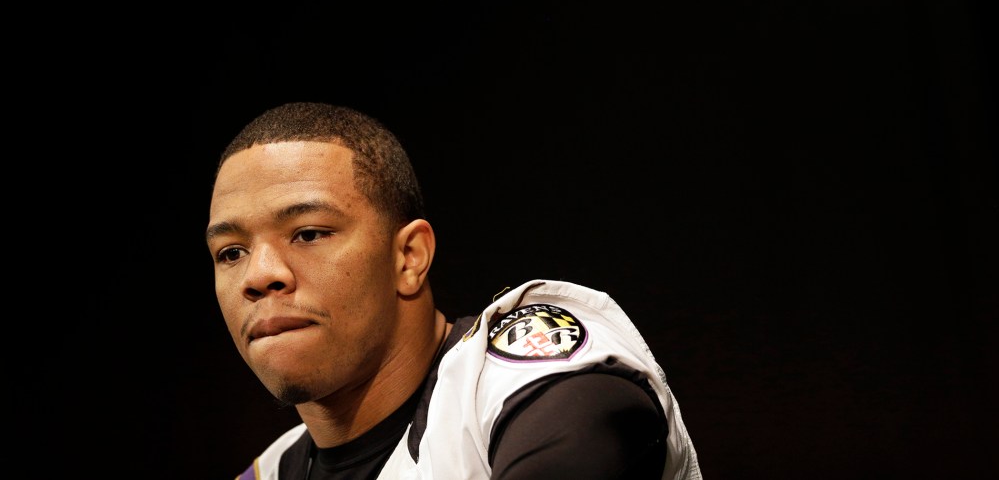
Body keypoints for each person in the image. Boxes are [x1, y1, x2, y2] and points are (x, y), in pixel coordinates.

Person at [207, 101, 702, 479]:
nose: (260, 274)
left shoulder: (526, 375)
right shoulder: (272, 469)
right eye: (231, 252)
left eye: (309, 233)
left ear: (409, 258)